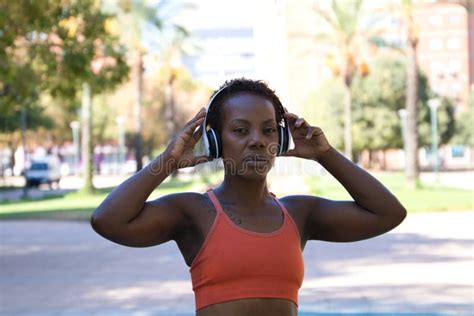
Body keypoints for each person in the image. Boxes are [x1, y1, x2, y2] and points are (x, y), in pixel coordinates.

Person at [90, 78, 407, 316]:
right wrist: (167, 161)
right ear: (215, 141)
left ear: (281, 141)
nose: (257, 141)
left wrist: (325, 154)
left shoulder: (299, 213)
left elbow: (388, 213)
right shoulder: (193, 212)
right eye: (240, 130)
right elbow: (107, 221)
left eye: (269, 130)